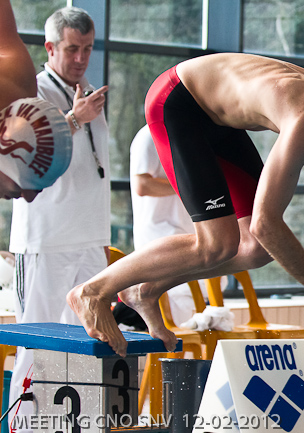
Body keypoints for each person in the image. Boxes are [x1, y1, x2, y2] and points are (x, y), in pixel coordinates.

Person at [67, 52, 304, 357]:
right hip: (178, 99)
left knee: (255, 250)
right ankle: (92, 292)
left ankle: (145, 289)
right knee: (217, 242)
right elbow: (266, 223)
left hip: (221, 119)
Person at [8, 6, 111, 422]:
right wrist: (73, 118)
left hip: (89, 238)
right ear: (50, 48)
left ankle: (75, 425)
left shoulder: (89, 90)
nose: (81, 58)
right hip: (45, 240)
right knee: (35, 343)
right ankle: (22, 427)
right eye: (72, 49)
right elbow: (24, 151)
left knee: (86, 342)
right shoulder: (31, 90)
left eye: (87, 48)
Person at [130, 124, 206, 325]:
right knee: (174, 322)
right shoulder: (148, 136)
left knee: (194, 317)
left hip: (190, 234)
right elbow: (142, 185)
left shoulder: (193, 133)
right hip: (159, 237)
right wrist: (191, 185)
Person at [0, 0, 73, 201]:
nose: (28, 198)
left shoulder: (18, 78)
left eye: (39, 188)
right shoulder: (13, 75)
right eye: (20, 185)